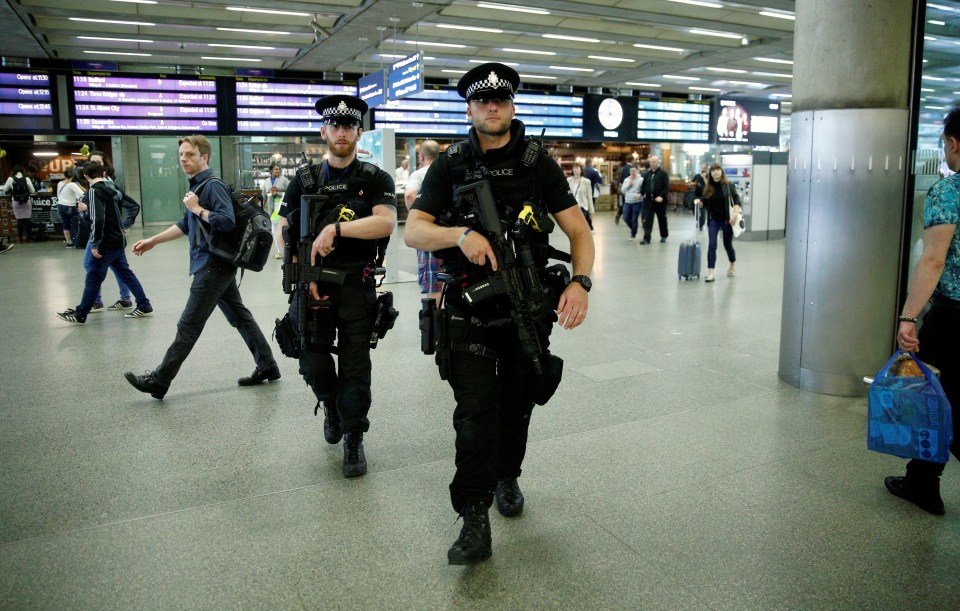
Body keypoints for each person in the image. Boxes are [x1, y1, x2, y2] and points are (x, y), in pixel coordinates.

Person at [405, 63, 595, 565]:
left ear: (511, 106)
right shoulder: (450, 164)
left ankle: (507, 473)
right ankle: (473, 515)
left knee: (516, 404)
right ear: (469, 109)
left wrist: (580, 282)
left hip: (527, 307)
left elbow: (579, 232)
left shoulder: (537, 163)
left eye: (502, 100)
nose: (493, 107)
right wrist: (458, 236)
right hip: (467, 307)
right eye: (483, 101)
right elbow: (413, 230)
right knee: (474, 416)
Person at [279, 95, 397, 478]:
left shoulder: (375, 178)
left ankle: (353, 437)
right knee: (310, 359)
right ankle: (330, 404)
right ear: (324, 132)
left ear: (358, 133)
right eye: (335, 126)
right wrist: (300, 273)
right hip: (312, 286)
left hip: (355, 285)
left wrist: (337, 228)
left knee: (356, 365)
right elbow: (285, 226)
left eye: (349, 126)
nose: (342, 132)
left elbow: (385, 223)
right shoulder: (306, 179)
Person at [124, 135, 279, 400]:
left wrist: (198, 209)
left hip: (213, 266)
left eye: (190, 154)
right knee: (239, 316)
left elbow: (226, 221)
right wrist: (153, 241)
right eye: (181, 155)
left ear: (204, 158)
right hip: (216, 265)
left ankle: (160, 380)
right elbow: (185, 224)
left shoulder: (212, 186)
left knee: (189, 324)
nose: (184, 159)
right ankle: (267, 364)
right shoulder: (197, 187)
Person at [884, 105, 960, 516]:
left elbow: (932, 261)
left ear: (953, 143)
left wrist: (909, 317)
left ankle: (923, 484)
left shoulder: (949, 192)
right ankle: (920, 480)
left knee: (935, 399)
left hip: (954, 319)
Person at [54, 162, 152, 324]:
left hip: (105, 243)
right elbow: (133, 206)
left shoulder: (93, 191)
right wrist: (125, 225)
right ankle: (144, 304)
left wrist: (94, 243)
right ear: (104, 172)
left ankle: (80, 314)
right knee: (126, 274)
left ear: (85, 177)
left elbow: (98, 219)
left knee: (93, 277)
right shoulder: (112, 189)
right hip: (118, 240)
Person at [85, 151, 133, 311]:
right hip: (106, 234)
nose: (94, 166)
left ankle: (93, 303)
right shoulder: (98, 185)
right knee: (120, 268)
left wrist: (124, 225)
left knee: (93, 267)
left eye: (98, 163)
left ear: (104, 167)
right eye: (91, 162)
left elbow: (103, 214)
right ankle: (127, 299)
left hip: (104, 235)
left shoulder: (106, 185)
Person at [404, 139, 442, 299]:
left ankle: (435, 321)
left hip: (428, 233)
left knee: (434, 284)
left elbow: (410, 194)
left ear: (421, 156)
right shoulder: (447, 170)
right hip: (451, 232)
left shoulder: (419, 174)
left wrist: (417, 216)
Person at [694, 163, 742, 283]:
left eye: (717, 170)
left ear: (721, 171)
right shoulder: (709, 187)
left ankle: (732, 263)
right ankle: (711, 272)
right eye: (713, 170)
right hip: (713, 220)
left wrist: (735, 215)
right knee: (712, 245)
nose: (715, 172)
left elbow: (737, 201)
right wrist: (698, 202)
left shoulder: (728, 185)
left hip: (727, 220)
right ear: (710, 173)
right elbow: (703, 202)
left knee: (727, 245)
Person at [260, 162, 289, 259]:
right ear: (271, 170)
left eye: (279, 169)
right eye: (276, 169)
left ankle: (284, 251)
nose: (278, 171)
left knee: (279, 230)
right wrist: (261, 206)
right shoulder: (267, 181)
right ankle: (281, 251)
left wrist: (278, 193)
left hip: (282, 208)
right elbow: (264, 195)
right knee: (275, 230)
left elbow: (290, 192)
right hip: (272, 210)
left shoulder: (284, 180)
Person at [2, 165, 37, 243]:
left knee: (19, 220)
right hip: (26, 201)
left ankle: (20, 238)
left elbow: (5, 189)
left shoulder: (11, 179)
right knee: (28, 220)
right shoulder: (26, 178)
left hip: (16, 201)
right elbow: (32, 190)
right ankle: (29, 238)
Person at [640, 155, 670, 244]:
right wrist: (640, 193)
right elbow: (644, 186)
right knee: (648, 219)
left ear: (658, 163)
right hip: (649, 201)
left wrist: (661, 196)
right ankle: (646, 238)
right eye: (651, 162)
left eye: (654, 162)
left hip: (660, 201)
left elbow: (666, 187)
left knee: (662, 219)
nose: (652, 164)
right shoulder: (647, 174)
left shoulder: (663, 174)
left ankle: (664, 235)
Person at [56, 169, 84, 247]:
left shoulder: (60, 183)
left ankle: (69, 242)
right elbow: (82, 194)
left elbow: (58, 195)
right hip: (70, 206)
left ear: (64, 175)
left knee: (66, 223)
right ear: (73, 176)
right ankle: (77, 240)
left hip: (60, 205)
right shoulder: (72, 185)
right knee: (76, 223)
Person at [568, 163, 595, 231]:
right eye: (574, 168)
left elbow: (589, 197)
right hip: (572, 207)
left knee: (579, 226)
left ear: (581, 170)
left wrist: (591, 212)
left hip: (582, 207)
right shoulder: (568, 180)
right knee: (573, 226)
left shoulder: (586, 182)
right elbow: (567, 193)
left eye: (577, 168)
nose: (575, 169)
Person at [615, 159, 633, 225]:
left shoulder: (622, 169)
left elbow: (619, 179)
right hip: (629, 189)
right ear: (632, 160)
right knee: (629, 203)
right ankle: (628, 218)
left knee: (623, 203)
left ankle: (619, 214)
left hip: (622, 188)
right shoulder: (631, 169)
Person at [691, 164, 708, 231]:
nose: (703, 169)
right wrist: (695, 183)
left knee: (703, 212)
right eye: (702, 168)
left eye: (704, 168)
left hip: (704, 197)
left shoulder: (708, 176)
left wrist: (704, 177)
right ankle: (698, 219)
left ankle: (701, 224)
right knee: (695, 210)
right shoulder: (697, 176)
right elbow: (691, 182)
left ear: (707, 169)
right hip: (696, 195)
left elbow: (708, 185)